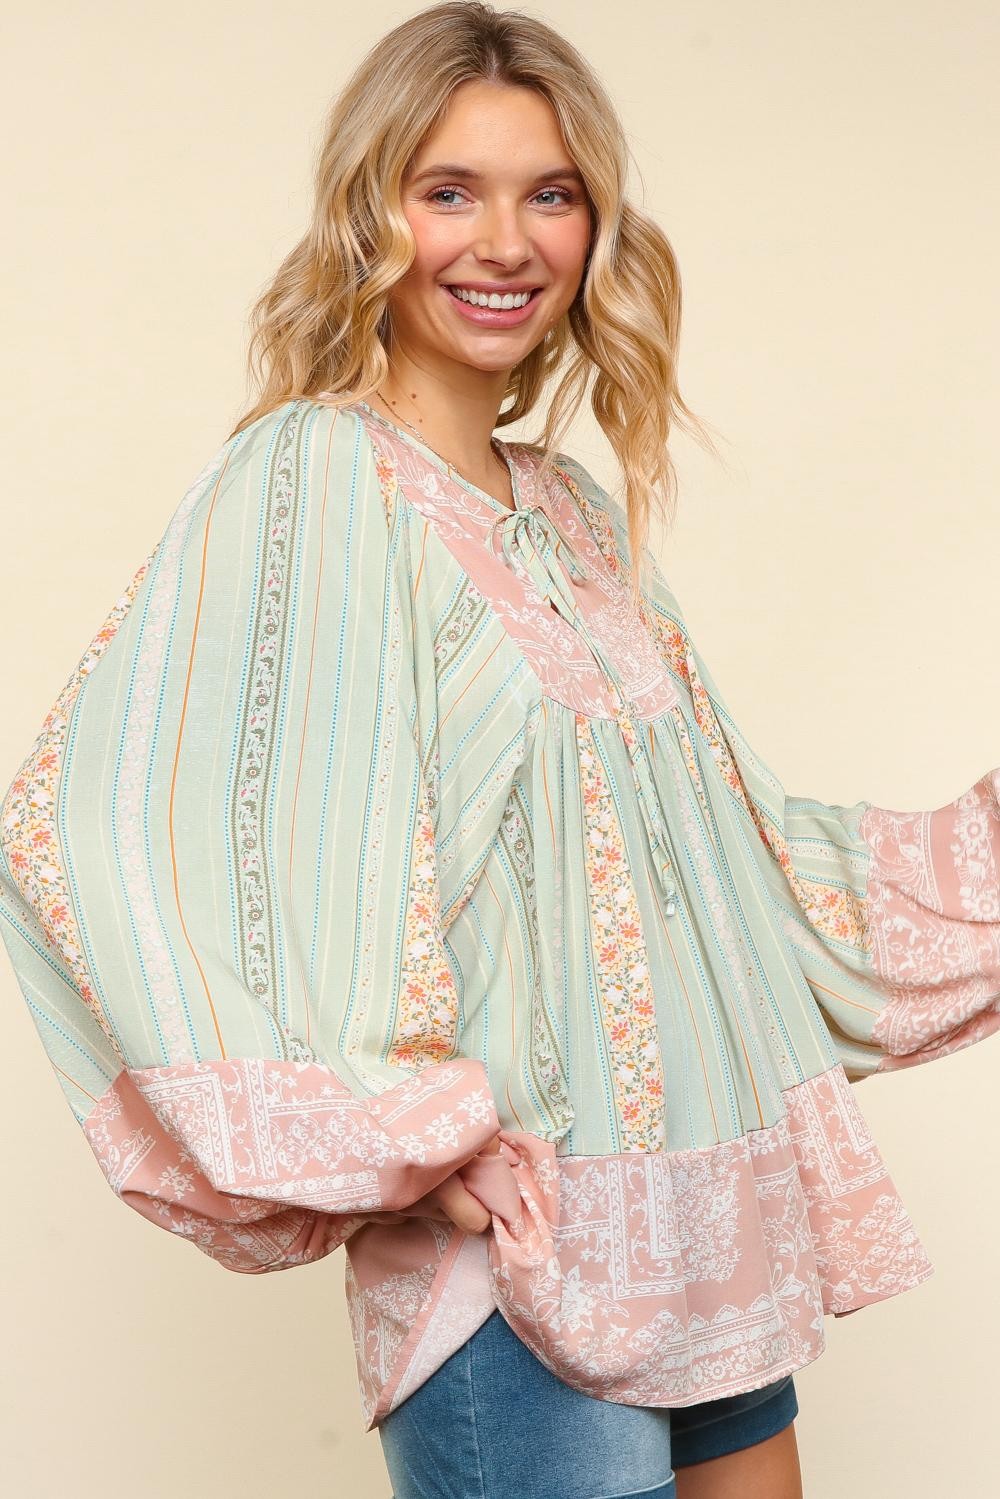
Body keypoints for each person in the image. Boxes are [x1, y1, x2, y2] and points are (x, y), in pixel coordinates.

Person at [2, 4, 998, 1497]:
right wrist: (402, 1129)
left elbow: (736, 872)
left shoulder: (572, 513)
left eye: (552, 195)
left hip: (705, 1236)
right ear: (372, 215)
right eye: (450, 191)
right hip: (516, 1283)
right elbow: (111, 831)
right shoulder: (313, 475)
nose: (507, 242)